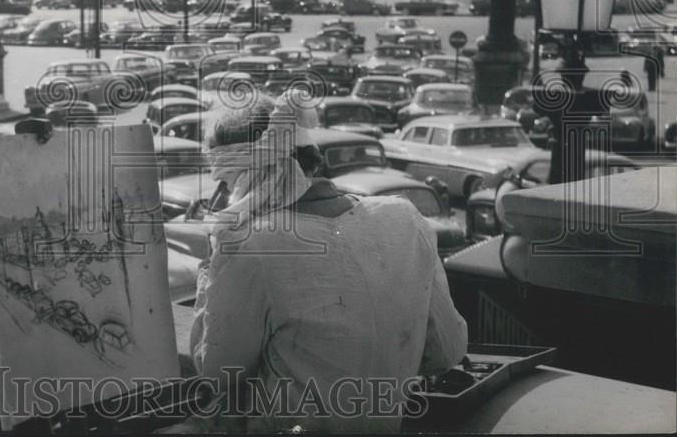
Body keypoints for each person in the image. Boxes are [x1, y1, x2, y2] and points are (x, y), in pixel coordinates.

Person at [181, 94, 467, 433]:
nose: (222, 197)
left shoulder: (251, 245)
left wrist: (214, 261)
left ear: (249, 176)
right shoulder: (404, 218)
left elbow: (216, 372)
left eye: (225, 182)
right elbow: (447, 351)